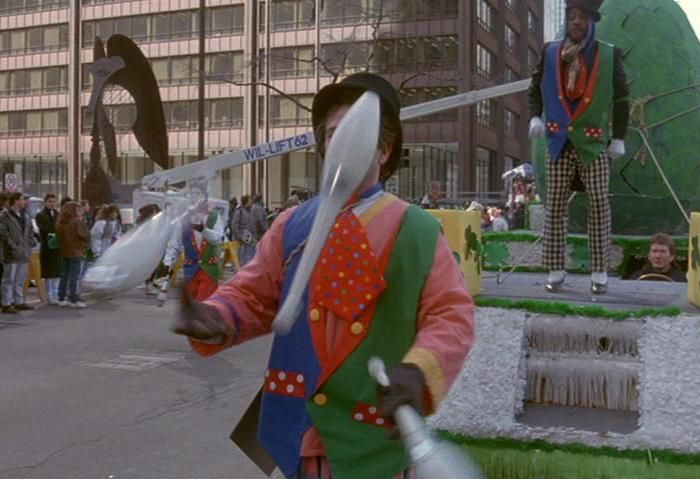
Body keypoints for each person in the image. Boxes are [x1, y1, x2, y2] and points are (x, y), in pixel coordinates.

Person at [171, 72, 475, 479]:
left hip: (373, 441)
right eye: (332, 133)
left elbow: (451, 314)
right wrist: (217, 316)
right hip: (299, 430)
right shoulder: (293, 224)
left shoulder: (417, 231)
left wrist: (419, 369)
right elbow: (255, 293)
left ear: (383, 151)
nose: (340, 142)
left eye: (354, 133)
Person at [528, 0, 629, 294]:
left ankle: (599, 271)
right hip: (558, 141)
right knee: (555, 206)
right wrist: (535, 115)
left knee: (599, 204)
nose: (575, 22)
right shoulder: (549, 52)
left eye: (581, 17)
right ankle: (555, 268)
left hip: (593, 143)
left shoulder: (609, 55)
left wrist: (619, 137)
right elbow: (534, 87)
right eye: (571, 17)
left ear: (591, 21)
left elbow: (621, 99)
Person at [0, 192, 37, 313]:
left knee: (20, 279)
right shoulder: (5, 215)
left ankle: (19, 301)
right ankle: (6, 303)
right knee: (8, 279)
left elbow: (30, 230)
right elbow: (3, 233)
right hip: (11, 252)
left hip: (24, 251)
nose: (25, 202)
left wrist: (31, 241)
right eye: (23, 199)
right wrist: (12, 246)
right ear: (16, 201)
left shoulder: (25, 214)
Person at [57, 201, 90, 308]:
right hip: (76, 251)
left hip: (64, 251)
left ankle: (61, 298)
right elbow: (85, 235)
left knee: (64, 275)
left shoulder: (60, 223)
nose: (81, 212)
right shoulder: (77, 222)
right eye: (78, 210)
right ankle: (73, 299)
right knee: (74, 277)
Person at [35, 193, 62, 304]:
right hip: (48, 245)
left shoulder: (58, 214)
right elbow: (45, 229)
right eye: (50, 202)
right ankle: (49, 294)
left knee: (57, 271)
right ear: (45, 202)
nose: (52, 204)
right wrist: (56, 231)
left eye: (54, 202)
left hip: (57, 246)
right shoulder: (41, 215)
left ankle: (56, 293)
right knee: (49, 272)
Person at [232, 194, 255, 267]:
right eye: (249, 200)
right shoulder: (239, 211)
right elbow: (234, 225)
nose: (251, 202)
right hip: (241, 238)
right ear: (246, 201)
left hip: (248, 238)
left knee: (248, 255)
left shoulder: (249, 211)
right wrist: (238, 236)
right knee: (240, 256)